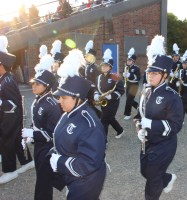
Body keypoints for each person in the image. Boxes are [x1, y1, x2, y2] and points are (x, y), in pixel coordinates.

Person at [49, 49, 106, 199]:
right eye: (59, 97)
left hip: (86, 180)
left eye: (64, 97)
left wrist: (60, 162)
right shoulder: (69, 112)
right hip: (74, 176)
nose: (59, 101)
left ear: (78, 98)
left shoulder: (89, 123)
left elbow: (89, 163)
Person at [135, 35, 183, 200]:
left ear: (165, 75)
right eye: (149, 72)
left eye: (155, 73)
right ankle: (168, 178)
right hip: (147, 141)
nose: (150, 76)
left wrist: (152, 124)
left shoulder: (172, 96)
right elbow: (138, 116)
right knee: (144, 171)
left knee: (153, 180)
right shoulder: (146, 91)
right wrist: (139, 129)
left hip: (164, 143)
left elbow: (176, 125)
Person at [21, 54, 63, 200]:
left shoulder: (51, 105)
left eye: (37, 84)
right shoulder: (38, 101)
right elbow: (37, 124)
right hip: (39, 146)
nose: (33, 86)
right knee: (41, 178)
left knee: (44, 181)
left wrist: (32, 134)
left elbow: (51, 134)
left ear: (47, 87)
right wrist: (29, 136)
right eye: (34, 83)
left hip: (47, 148)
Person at [0, 35, 33, 184]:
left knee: (7, 141)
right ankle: (26, 162)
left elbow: (14, 104)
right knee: (16, 140)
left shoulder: (7, 80)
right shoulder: (5, 78)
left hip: (10, 116)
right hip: (7, 116)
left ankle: (10, 171)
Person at [94, 49, 125, 139]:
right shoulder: (99, 77)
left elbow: (121, 91)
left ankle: (103, 140)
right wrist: (96, 94)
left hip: (113, 102)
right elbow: (96, 88)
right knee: (110, 118)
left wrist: (111, 96)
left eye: (105, 66)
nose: (103, 67)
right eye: (102, 65)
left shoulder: (116, 77)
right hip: (103, 101)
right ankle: (120, 130)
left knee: (104, 120)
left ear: (110, 67)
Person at [123, 47, 141, 120]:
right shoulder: (126, 67)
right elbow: (125, 77)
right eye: (127, 60)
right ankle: (139, 108)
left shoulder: (136, 68)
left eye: (129, 60)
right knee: (129, 99)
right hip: (128, 84)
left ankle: (128, 114)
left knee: (128, 100)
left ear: (133, 61)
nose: (128, 61)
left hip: (134, 85)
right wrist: (124, 77)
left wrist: (130, 75)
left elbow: (138, 78)